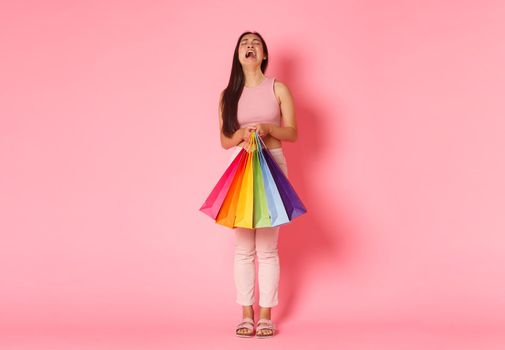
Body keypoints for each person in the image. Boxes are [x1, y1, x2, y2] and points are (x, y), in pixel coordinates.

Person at [218, 31, 298, 338]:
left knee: (267, 248)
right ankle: (245, 314)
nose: (249, 47)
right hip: (243, 167)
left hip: (273, 165)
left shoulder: (278, 88)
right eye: (243, 43)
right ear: (238, 55)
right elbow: (225, 140)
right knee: (243, 249)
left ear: (263, 54)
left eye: (255, 43)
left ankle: (266, 315)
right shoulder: (228, 95)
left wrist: (268, 128)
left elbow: (292, 133)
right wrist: (240, 136)